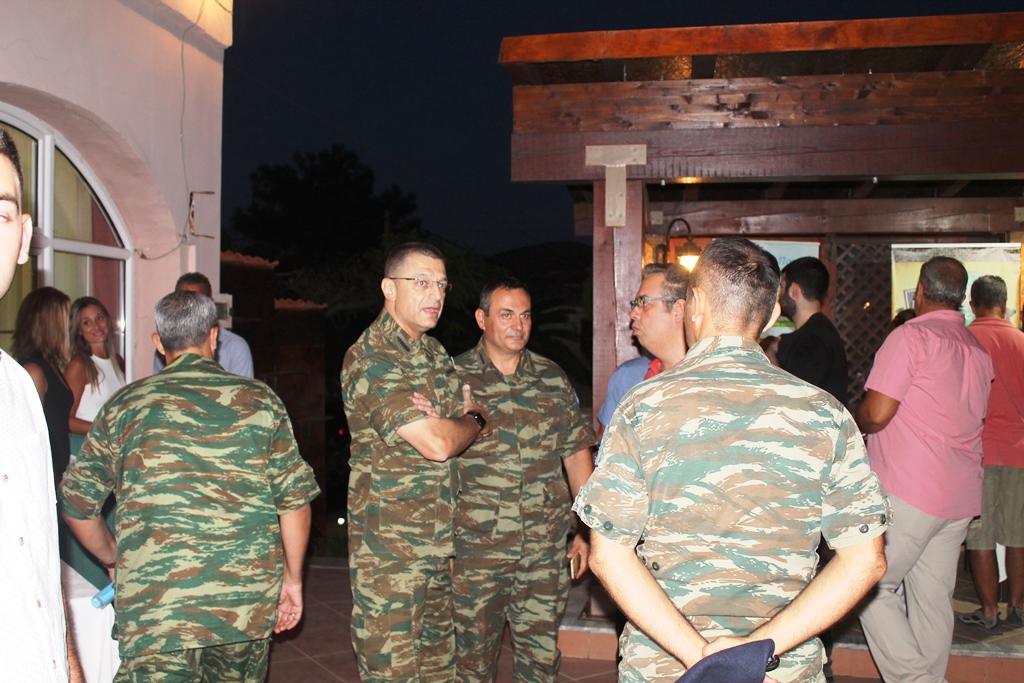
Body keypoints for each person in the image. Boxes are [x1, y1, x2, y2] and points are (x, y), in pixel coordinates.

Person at [576, 237, 889, 683]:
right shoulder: (827, 414)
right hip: (778, 667)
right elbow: (866, 561)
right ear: (773, 315)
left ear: (695, 304)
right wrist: (753, 653)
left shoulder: (642, 407)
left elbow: (608, 555)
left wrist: (703, 656)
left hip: (668, 666)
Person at [59, 289, 319, 680]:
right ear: (213, 336)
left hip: (157, 609)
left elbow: (77, 505)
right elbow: (295, 503)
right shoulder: (260, 401)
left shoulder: (124, 406)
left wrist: (112, 557)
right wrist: (292, 581)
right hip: (241, 606)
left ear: (159, 342)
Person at [341, 241, 489, 682]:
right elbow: (441, 443)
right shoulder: (371, 357)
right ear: (389, 288)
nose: (435, 295)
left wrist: (459, 424)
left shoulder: (434, 354)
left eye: (441, 285)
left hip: (436, 547)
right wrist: (471, 419)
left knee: (440, 672)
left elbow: (459, 433)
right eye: (422, 283)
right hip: (391, 557)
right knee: (393, 674)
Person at [449, 278, 597, 683]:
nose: (518, 325)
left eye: (526, 315)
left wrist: (587, 532)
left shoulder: (551, 378)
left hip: (543, 551)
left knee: (540, 660)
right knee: (472, 662)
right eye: (507, 314)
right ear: (481, 319)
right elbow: (436, 467)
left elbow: (576, 457)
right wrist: (442, 546)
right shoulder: (453, 378)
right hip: (476, 552)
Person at [856, 256, 994, 683]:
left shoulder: (910, 337)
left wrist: (854, 419)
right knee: (932, 601)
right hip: (959, 496)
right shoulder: (977, 350)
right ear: (962, 297)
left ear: (919, 291)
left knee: (866, 585)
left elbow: (877, 413)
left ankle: (919, 681)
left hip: (910, 491)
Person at [0, 126, 82, 682]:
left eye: (0, 213)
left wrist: (71, 666)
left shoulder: (18, 388)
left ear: (24, 235)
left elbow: (38, 558)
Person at [957, 275, 1024, 630]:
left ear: (972, 304)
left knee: (980, 537)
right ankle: (1017, 605)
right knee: (1018, 535)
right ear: (1005, 303)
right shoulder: (1022, 341)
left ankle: (987, 611)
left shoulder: (966, 341)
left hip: (977, 454)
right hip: (1020, 453)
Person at [597, 264, 688, 438]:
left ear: (678, 310)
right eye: (635, 304)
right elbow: (606, 445)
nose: (633, 313)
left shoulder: (708, 378)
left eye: (644, 303)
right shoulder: (632, 376)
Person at [13, 286, 74, 485]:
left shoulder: (50, 365)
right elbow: (27, 435)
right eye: (66, 318)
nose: (70, 324)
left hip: (57, 470)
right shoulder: (33, 370)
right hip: (42, 476)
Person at [770, 256, 849, 406]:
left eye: (782, 287)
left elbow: (800, 400)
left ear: (794, 290)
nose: (779, 296)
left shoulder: (811, 339)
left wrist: (771, 361)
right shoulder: (822, 332)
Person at [152, 271, 254, 378]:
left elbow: (242, 387)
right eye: (183, 302)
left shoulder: (235, 346)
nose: (190, 309)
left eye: (198, 303)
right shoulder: (166, 345)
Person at [66, 296, 126, 453]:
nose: (96, 326)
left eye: (99, 318)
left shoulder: (118, 361)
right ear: (79, 330)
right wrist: (103, 429)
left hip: (112, 451)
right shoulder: (80, 365)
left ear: (107, 320)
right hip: (86, 449)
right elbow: (65, 419)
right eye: (87, 322)